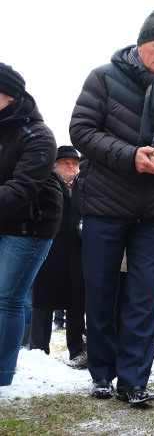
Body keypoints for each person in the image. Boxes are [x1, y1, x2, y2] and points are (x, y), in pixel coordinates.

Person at [69, 8, 154, 405]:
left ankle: (134, 381)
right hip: (105, 204)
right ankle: (102, 374)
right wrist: (130, 155)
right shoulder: (103, 77)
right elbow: (81, 129)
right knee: (102, 291)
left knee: (143, 296)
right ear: (141, 44)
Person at [0, 63, 62, 386]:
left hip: (31, 225)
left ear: (9, 95)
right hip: (2, 220)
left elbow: (22, 190)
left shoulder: (37, 135)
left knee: (6, 298)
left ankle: (1, 376)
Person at [29, 146, 87, 368]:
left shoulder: (83, 187)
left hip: (77, 251)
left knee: (76, 303)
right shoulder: (44, 184)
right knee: (43, 301)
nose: (71, 166)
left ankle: (77, 350)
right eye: (65, 162)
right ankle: (38, 350)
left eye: (74, 162)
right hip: (48, 250)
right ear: (55, 165)